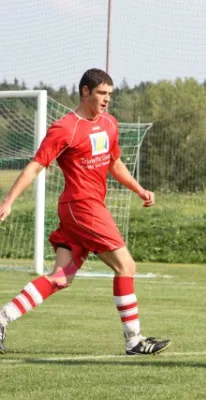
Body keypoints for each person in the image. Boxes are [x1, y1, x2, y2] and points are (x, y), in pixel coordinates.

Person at [0, 68, 171, 356]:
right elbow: (35, 166)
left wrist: (139, 190)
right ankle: (134, 341)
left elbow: (114, 164)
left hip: (86, 209)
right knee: (126, 266)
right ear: (85, 92)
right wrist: (8, 201)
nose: (106, 100)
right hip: (81, 207)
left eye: (110, 94)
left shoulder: (109, 124)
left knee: (60, 278)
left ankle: (2, 319)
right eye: (102, 93)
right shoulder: (65, 128)